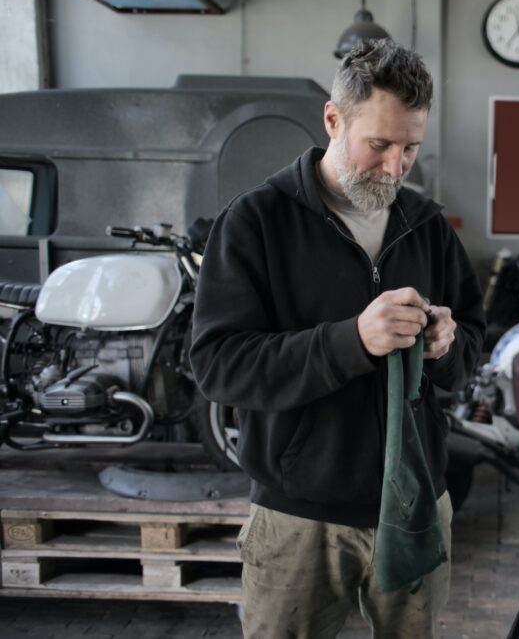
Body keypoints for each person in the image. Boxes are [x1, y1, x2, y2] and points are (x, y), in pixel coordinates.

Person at [189, 38, 485, 639]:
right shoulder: (255, 223)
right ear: (332, 118)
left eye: (410, 148)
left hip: (417, 506)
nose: (396, 167)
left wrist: (448, 346)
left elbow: (474, 349)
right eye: (379, 144)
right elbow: (218, 366)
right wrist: (351, 340)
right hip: (300, 517)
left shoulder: (427, 227)